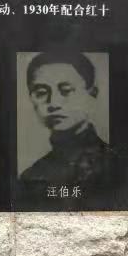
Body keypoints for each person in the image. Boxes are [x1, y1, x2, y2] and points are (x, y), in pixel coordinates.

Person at [21, 51, 116, 184]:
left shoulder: (115, 166)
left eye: (66, 91)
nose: (54, 103)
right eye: (41, 93)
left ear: (92, 94)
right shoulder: (31, 176)